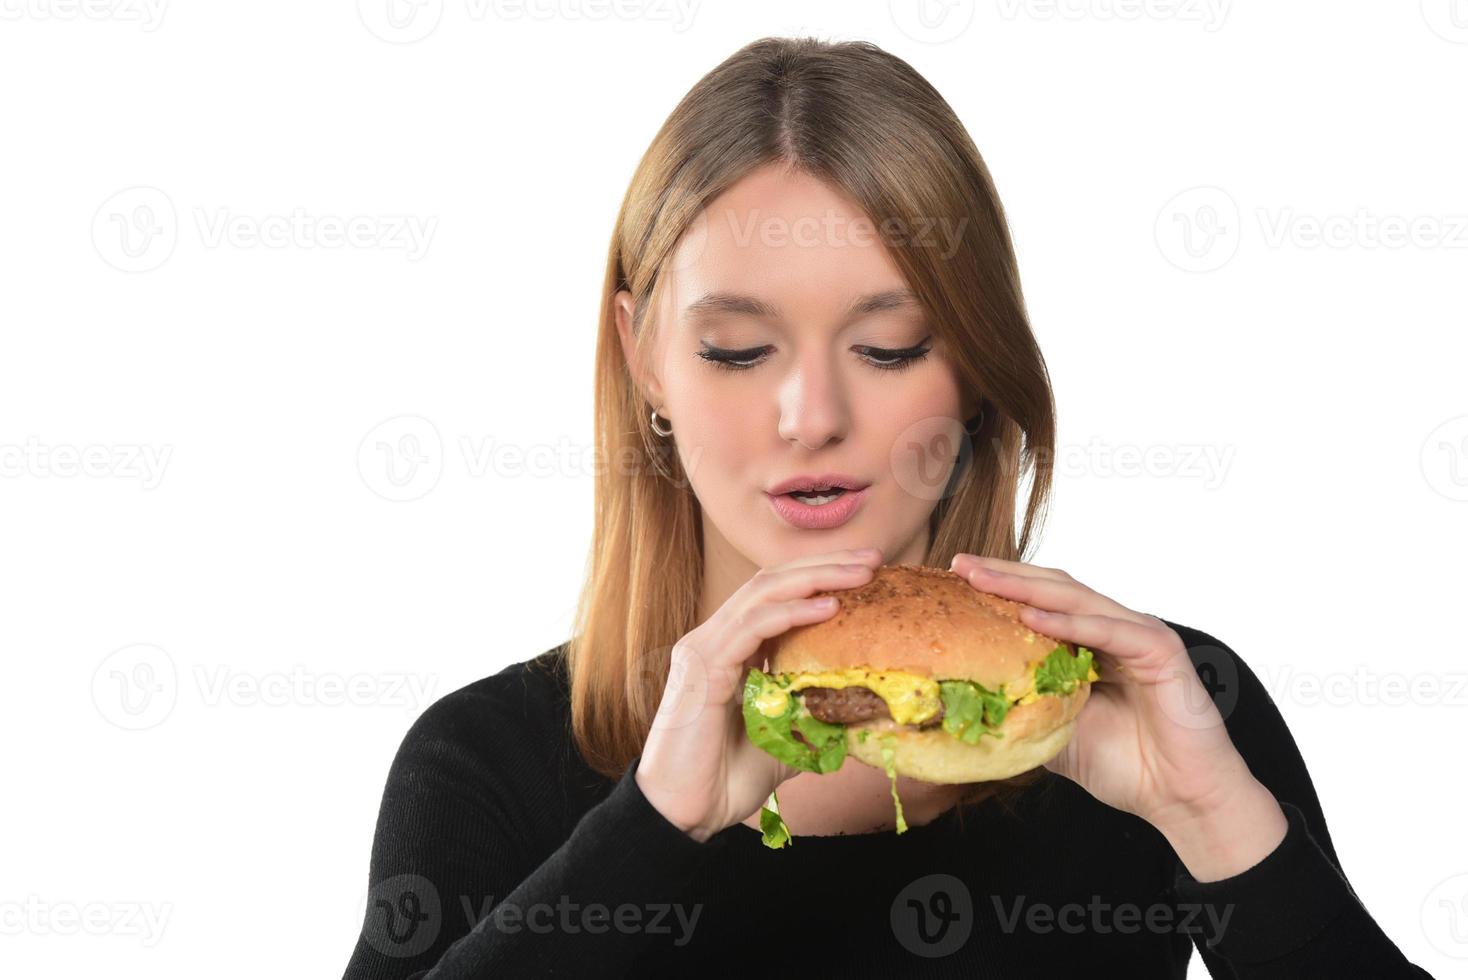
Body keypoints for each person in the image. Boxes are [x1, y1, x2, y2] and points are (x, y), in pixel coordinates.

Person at [342, 36, 1433, 978]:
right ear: (645, 362)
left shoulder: (1167, 709)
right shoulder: (481, 761)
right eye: (735, 348)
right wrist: (645, 830)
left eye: (888, 345)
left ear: (974, 364)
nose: (810, 414)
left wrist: (1218, 824)